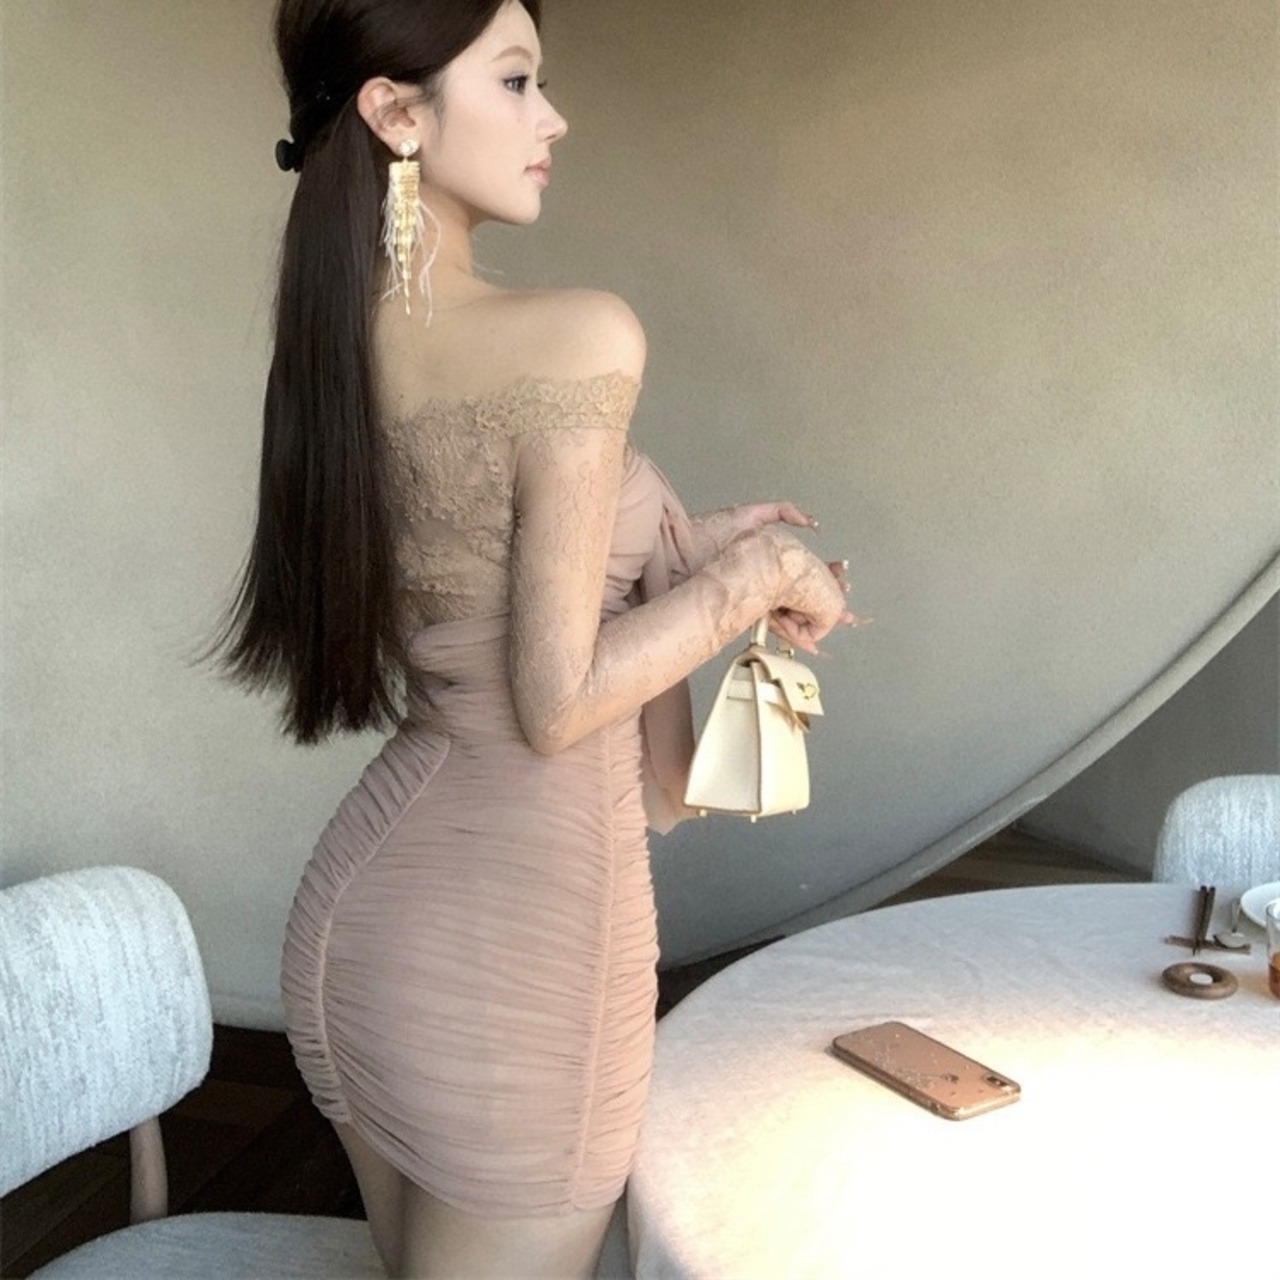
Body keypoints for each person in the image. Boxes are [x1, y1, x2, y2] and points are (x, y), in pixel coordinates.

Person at [215, 1, 856, 1274]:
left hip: (363, 923)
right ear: (395, 112)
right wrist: (759, 576)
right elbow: (555, 701)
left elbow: (471, 573)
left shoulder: (342, 339)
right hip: (524, 943)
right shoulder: (576, 335)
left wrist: (679, 546)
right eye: (515, 81)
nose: (552, 117)